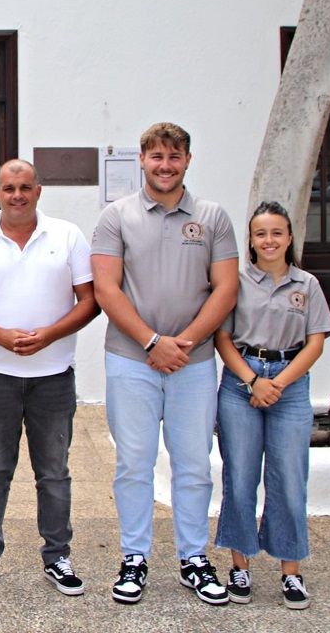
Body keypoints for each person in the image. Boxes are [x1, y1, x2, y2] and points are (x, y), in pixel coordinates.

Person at [90, 122, 239, 606]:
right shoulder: (116, 216)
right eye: (157, 156)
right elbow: (106, 289)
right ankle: (134, 558)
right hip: (131, 360)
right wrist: (153, 341)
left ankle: (193, 558)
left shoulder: (213, 217)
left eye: (174, 157)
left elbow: (226, 289)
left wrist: (184, 343)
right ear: (142, 159)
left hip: (193, 364)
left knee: (194, 465)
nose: (165, 165)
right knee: (134, 464)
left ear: (188, 161)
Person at [0, 159, 99, 597]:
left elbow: (89, 300)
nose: (18, 195)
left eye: (25, 187)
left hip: (53, 376)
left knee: (54, 472)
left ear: (38, 191)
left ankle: (58, 558)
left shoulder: (67, 235)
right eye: (9, 188)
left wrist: (50, 335)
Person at [213, 201, 330, 610]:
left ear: (289, 237)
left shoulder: (307, 284)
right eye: (261, 233)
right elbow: (222, 338)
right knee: (241, 476)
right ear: (251, 239)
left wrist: (276, 384)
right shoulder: (237, 281)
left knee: (288, 479)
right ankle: (239, 565)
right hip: (241, 381)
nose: (269, 241)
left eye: (277, 233)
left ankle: (291, 572)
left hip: (289, 385)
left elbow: (315, 341)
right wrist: (252, 381)